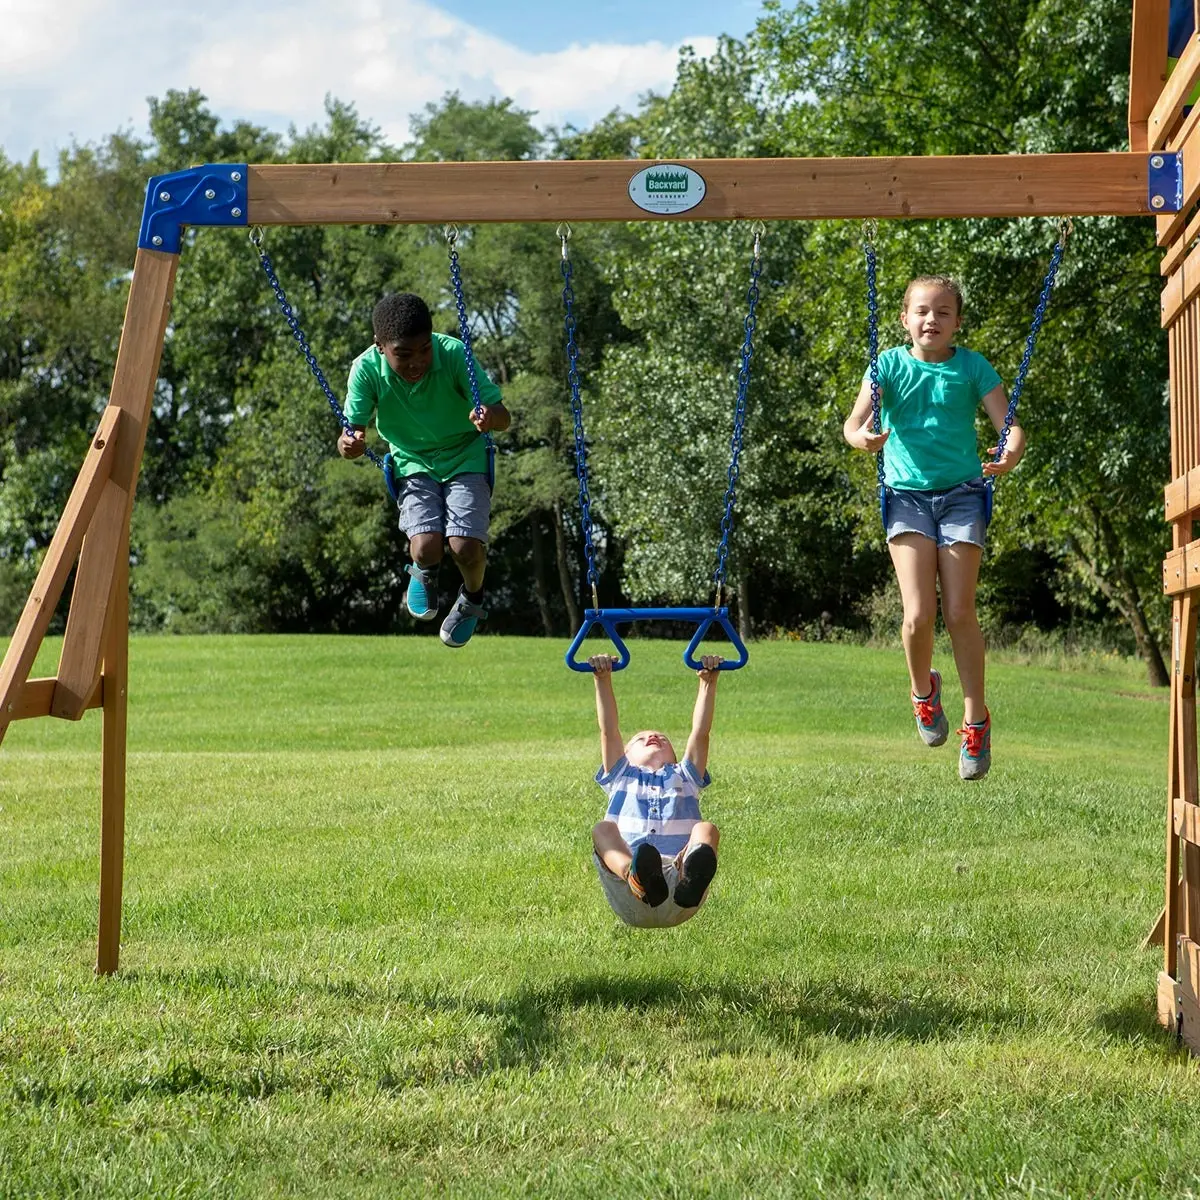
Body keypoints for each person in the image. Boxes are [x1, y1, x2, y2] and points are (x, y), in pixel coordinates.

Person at [842, 274, 1023, 781]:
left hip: (963, 495)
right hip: (906, 498)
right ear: (905, 319)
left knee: (961, 611)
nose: (932, 320)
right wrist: (864, 440)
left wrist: (1008, 452)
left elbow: (1008, 425)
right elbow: (852, 425)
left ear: (957, 323)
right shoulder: (887, 366)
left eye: (944, 312)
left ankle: (975, 720)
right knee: (919, 614)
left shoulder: (972, 367)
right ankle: (923, 692)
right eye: (922, 311)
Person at [338, 292, 510, 648]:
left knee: (464, 546)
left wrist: (489, 417)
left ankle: (472, 599)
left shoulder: (453, 354)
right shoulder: (365, 369)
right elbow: (349, 435)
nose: (416, 362)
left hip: (466, 453)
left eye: (423, 350)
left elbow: (502, 415)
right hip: (412, 459)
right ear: (380, 346)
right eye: (403, 354)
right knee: (426, 547)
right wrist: (350, 444)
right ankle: (423, 572)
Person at [587, 652, 723, 928]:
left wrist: (708, 683)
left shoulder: (685, 776)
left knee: (706, 830)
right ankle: (635, 875)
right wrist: (602, 679)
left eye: (661, 738)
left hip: (680, 888)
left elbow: (700, 733)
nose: (652, 737)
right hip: (630, 887)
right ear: (624, 754)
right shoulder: (621, 775)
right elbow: (609, 730)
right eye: (640, 738)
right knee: (603, 829)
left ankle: (692, 876)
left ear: (674, 755)